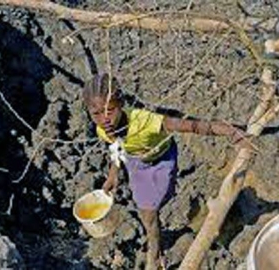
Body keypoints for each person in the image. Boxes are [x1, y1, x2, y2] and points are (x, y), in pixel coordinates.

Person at [83, 73, 249, 269]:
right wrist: (113, 174)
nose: (104, 119)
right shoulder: (102, 129)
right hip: (136, 163)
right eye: (96, 114)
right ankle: (155, 248)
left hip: (161, 160)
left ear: (121, 104)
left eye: (109, 110)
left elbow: (190, 126)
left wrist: (231, 131)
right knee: (147, 213)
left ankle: (153, 253)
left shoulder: (144, 121)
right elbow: (116, 148)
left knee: (150, 209)